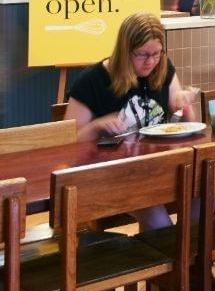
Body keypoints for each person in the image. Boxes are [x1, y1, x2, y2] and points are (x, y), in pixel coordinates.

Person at [66, 12, 198, 228]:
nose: (151, 62)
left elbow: (186, 124)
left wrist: (184, 105)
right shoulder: (92, 80)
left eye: (157, 53)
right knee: (157, 220)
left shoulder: (162, 69)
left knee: (206, 192)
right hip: (115, 175)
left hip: (159, 167)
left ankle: (192, 258)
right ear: (125, 51)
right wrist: (97, 126)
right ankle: (179, 258)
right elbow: (69, 143)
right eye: (142, 55)